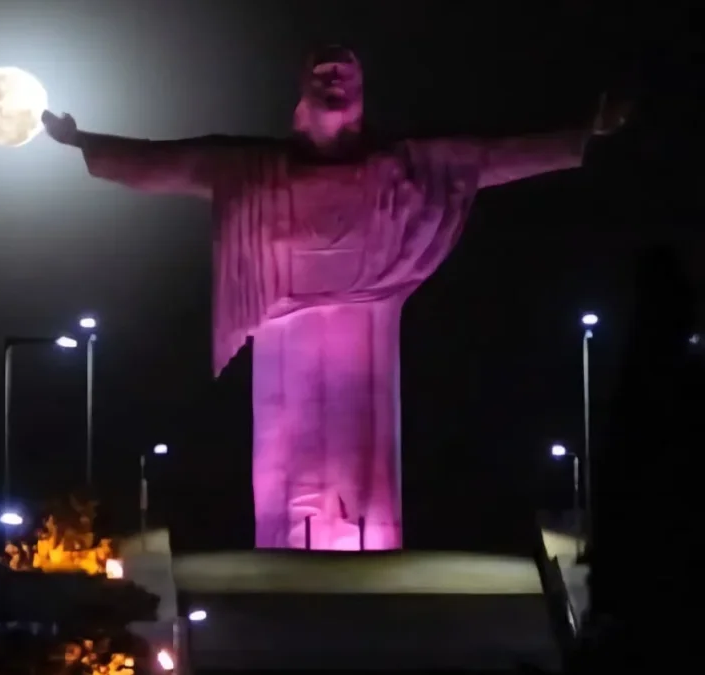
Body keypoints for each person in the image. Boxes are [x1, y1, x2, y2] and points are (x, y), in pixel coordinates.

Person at [43, 45, 628, 550]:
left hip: (368, 324)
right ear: (301, 90)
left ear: (362, 90)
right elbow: (165, 162)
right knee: (286, 460)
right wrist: (83, 141)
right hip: (283, 329)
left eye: (344, 70)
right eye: (322, 70)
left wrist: (579, 137)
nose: (333, 78)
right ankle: (288, 549)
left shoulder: (403, 168)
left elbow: (488, 158)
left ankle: (366, 550)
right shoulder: (253, 168)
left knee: (365, 466)